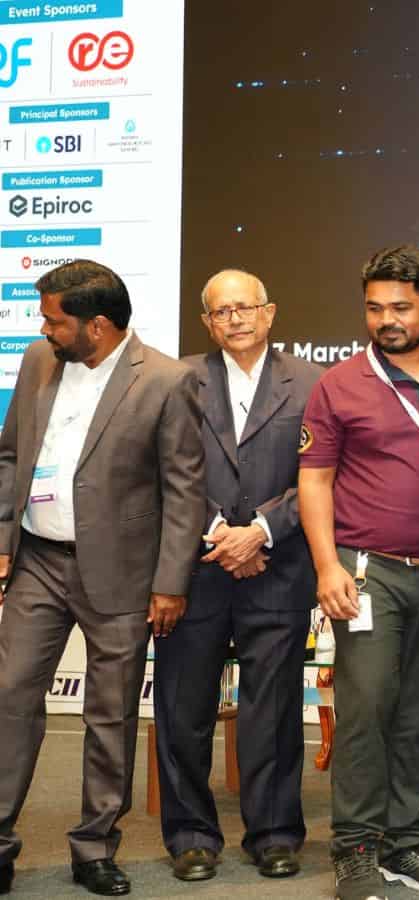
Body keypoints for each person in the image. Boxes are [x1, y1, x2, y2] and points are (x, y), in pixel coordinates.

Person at [0, 259, 206, 897]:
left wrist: (170, 582)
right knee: (9, 698)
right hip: (37, 559)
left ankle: (94, 847)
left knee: (111, 714)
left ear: (97, 325)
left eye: (54, 318)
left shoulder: (167, 381)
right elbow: (10, 454)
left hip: (122, 572)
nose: (42, 327)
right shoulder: (39, 360)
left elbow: (184, 489)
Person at [299, 246, 419, 900]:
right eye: (375, 308)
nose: (387, 320)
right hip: (366, 572)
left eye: (401, 307)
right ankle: (357, 850)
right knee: (366, 708)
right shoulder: (337, 383)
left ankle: (406, 842)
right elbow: (314, 482)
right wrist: (325, 565)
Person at [157, 269, 324, 883]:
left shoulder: (313, 381)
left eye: (246, 307)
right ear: (207, 322)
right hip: (193, 569)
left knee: (274, 710)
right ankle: (192, 836)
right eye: (221, 311)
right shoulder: (177, 380)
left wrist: (259, 531)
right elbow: (165, 470)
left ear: (270, 311)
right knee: (184, 707)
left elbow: (323, 473)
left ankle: (274, 833)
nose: (235, 319)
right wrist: (220, 535)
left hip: (278, 567)